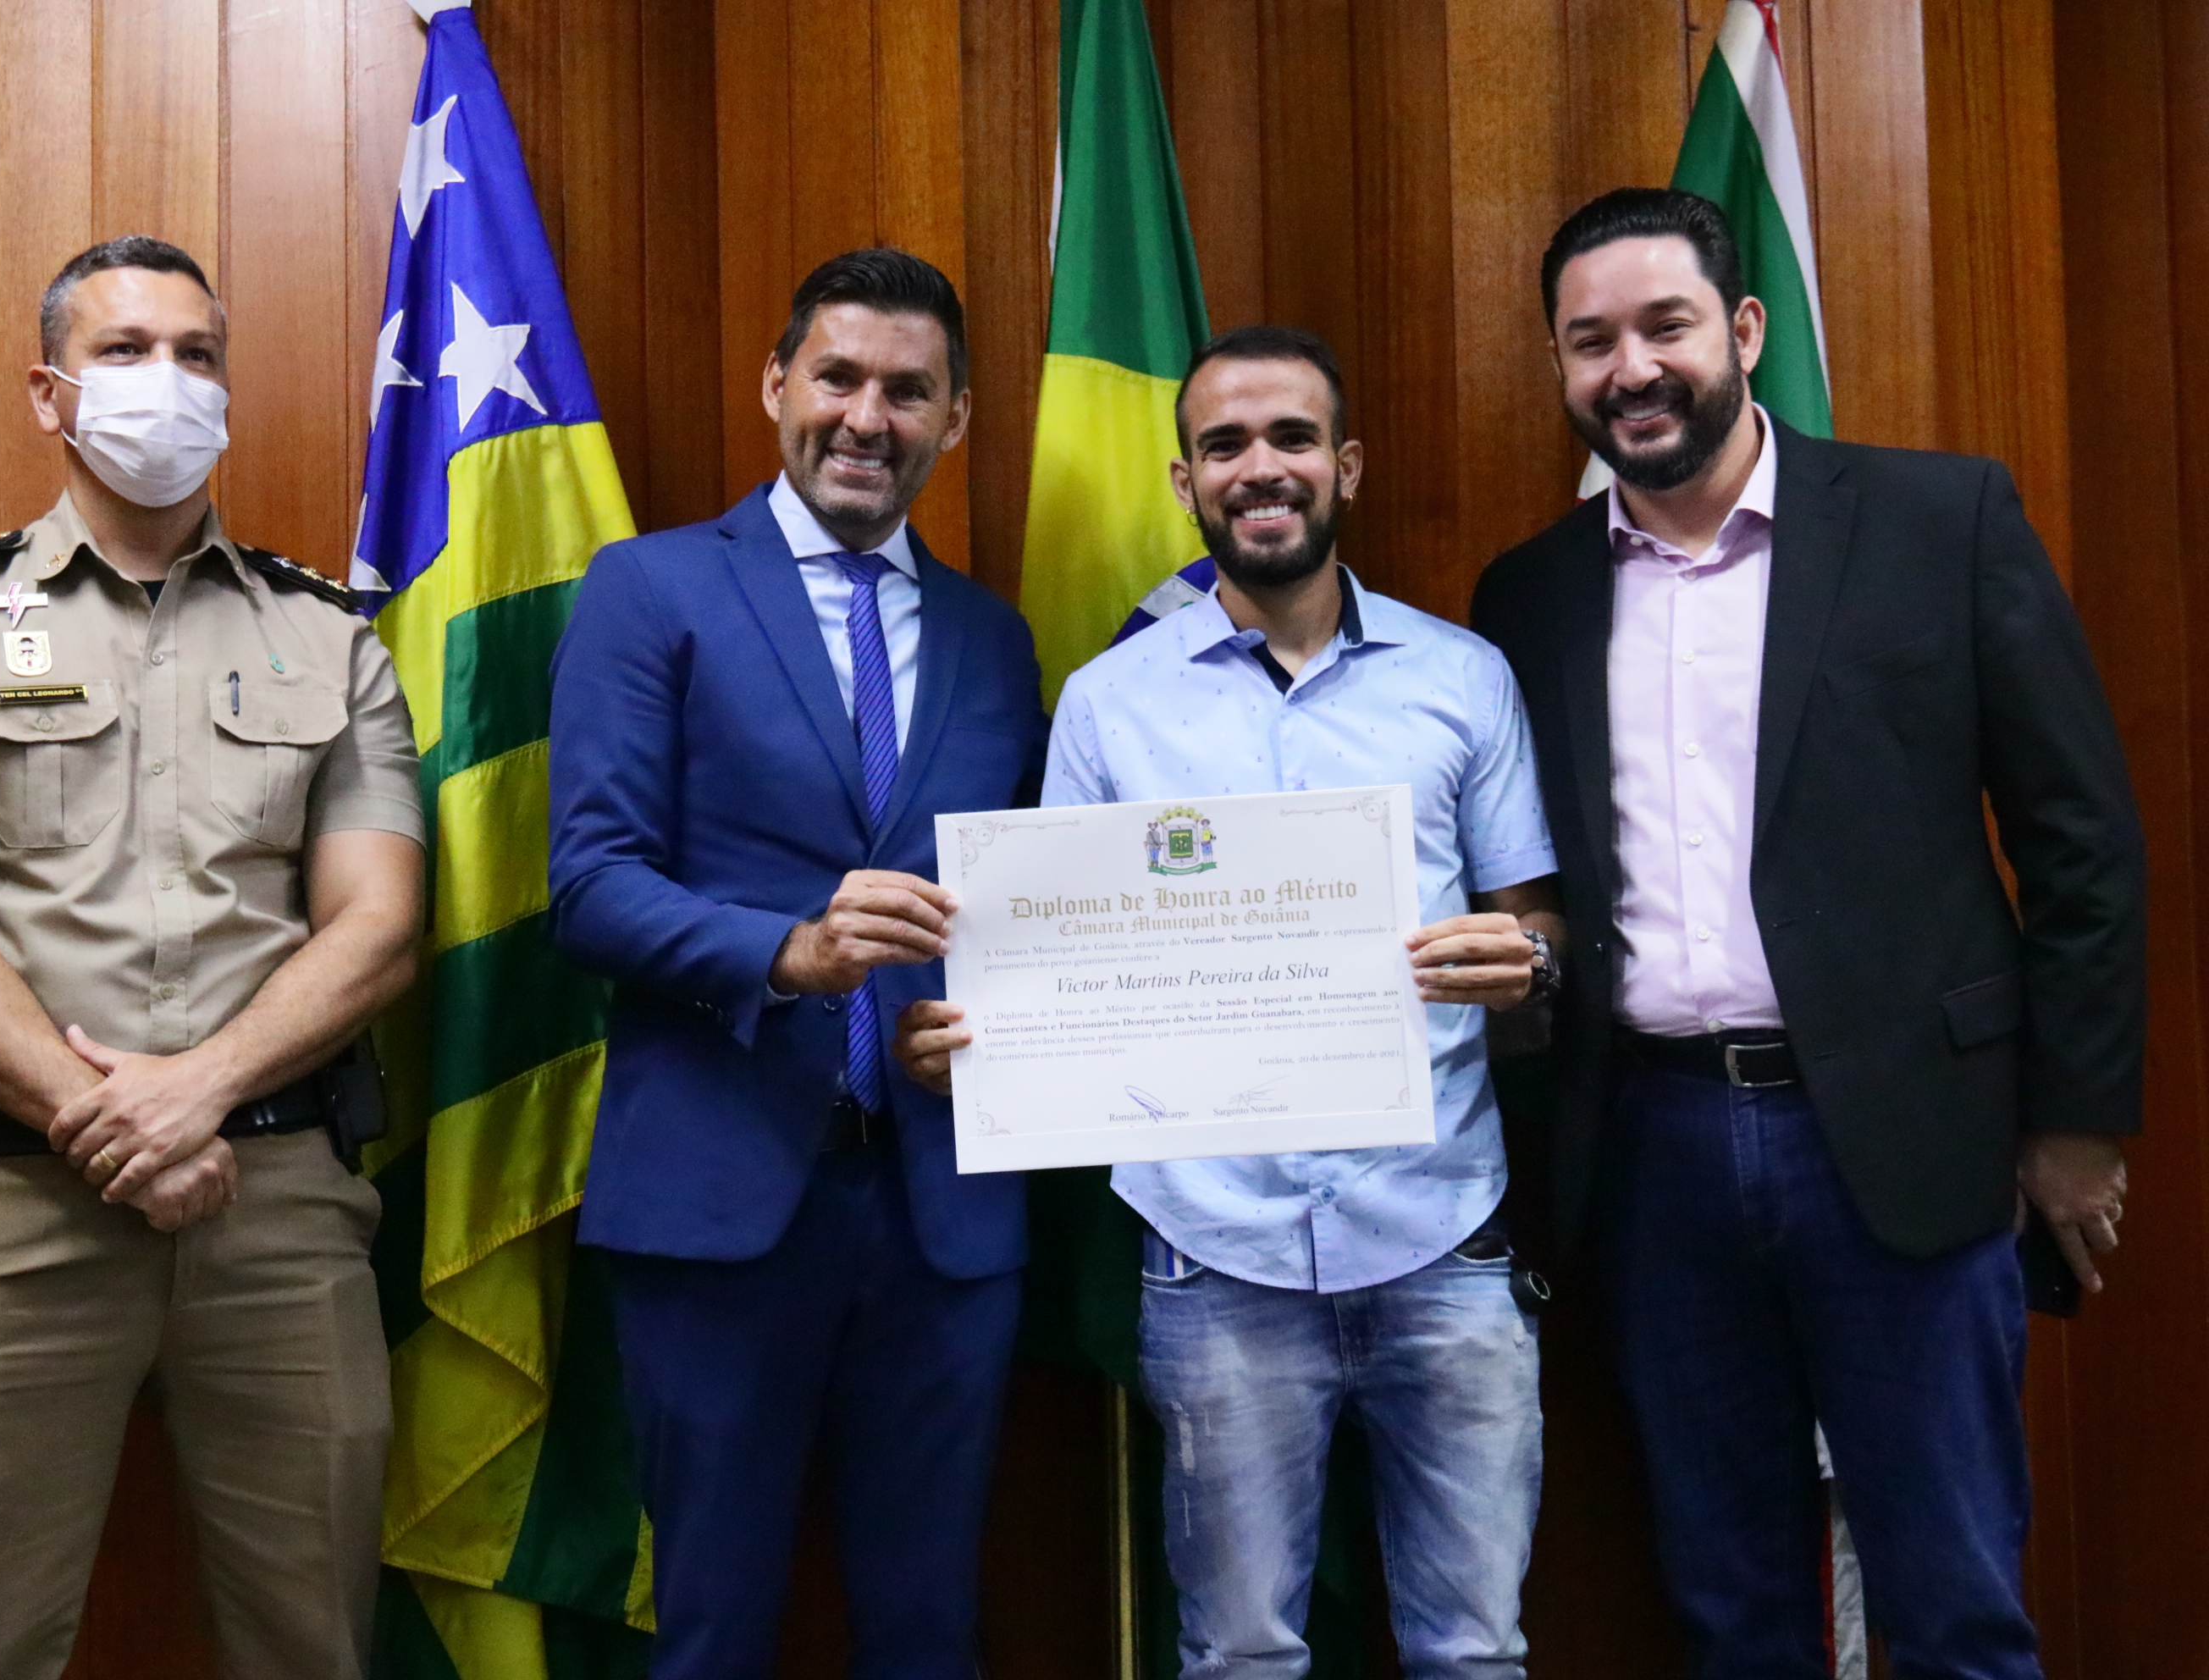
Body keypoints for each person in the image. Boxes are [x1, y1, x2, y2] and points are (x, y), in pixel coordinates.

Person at [1471, 187, 2145, 1679]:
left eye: (1665, 326)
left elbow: (2082, 844)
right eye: (1590, 342)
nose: (1632, 370)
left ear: (1745, 328)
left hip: (1908, 1140)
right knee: (1732, 1609)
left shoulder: (1939, 523)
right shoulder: (1528, 595)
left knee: (1956, 1605)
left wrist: (2075, 1123)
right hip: (1651, 1158)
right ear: (1561, 366)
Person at [901, 324, 1562, 1680]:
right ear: (1185, 481)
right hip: (1215, 1256)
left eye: (1292, 438)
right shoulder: (1108, 706)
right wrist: (980, 1043)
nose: (1261, 468)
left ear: (1345, 466)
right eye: (1225, 446)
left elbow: (1535, 920)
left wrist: (1529, 963)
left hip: (1442, 1235)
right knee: (1240, 1657)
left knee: (1476, 1653)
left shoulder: (1462, 678)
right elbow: (1057, 962)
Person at [0, 235, 426, 1679]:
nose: (170, 381)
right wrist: (111, 1121)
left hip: (277, 1213)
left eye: (197, 354)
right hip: (16, 1209)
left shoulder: (328, 638)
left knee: (313, 1644)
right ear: (51, 393)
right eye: (126, 351)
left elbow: (379, 924)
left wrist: (194, 1092)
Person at [546, 247, 1047, 1680]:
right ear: (777, 384)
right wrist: (791, 952)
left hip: (944, 1217)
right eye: (837, 377)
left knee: (930, 1629)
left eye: (908, 390)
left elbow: (1022, 911)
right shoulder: (650, 589)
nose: (866, 418)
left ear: (957, 418)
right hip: (717, 1204)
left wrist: (989, 1021)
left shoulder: (994, 640)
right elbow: (590, 887)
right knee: (712, 1630)